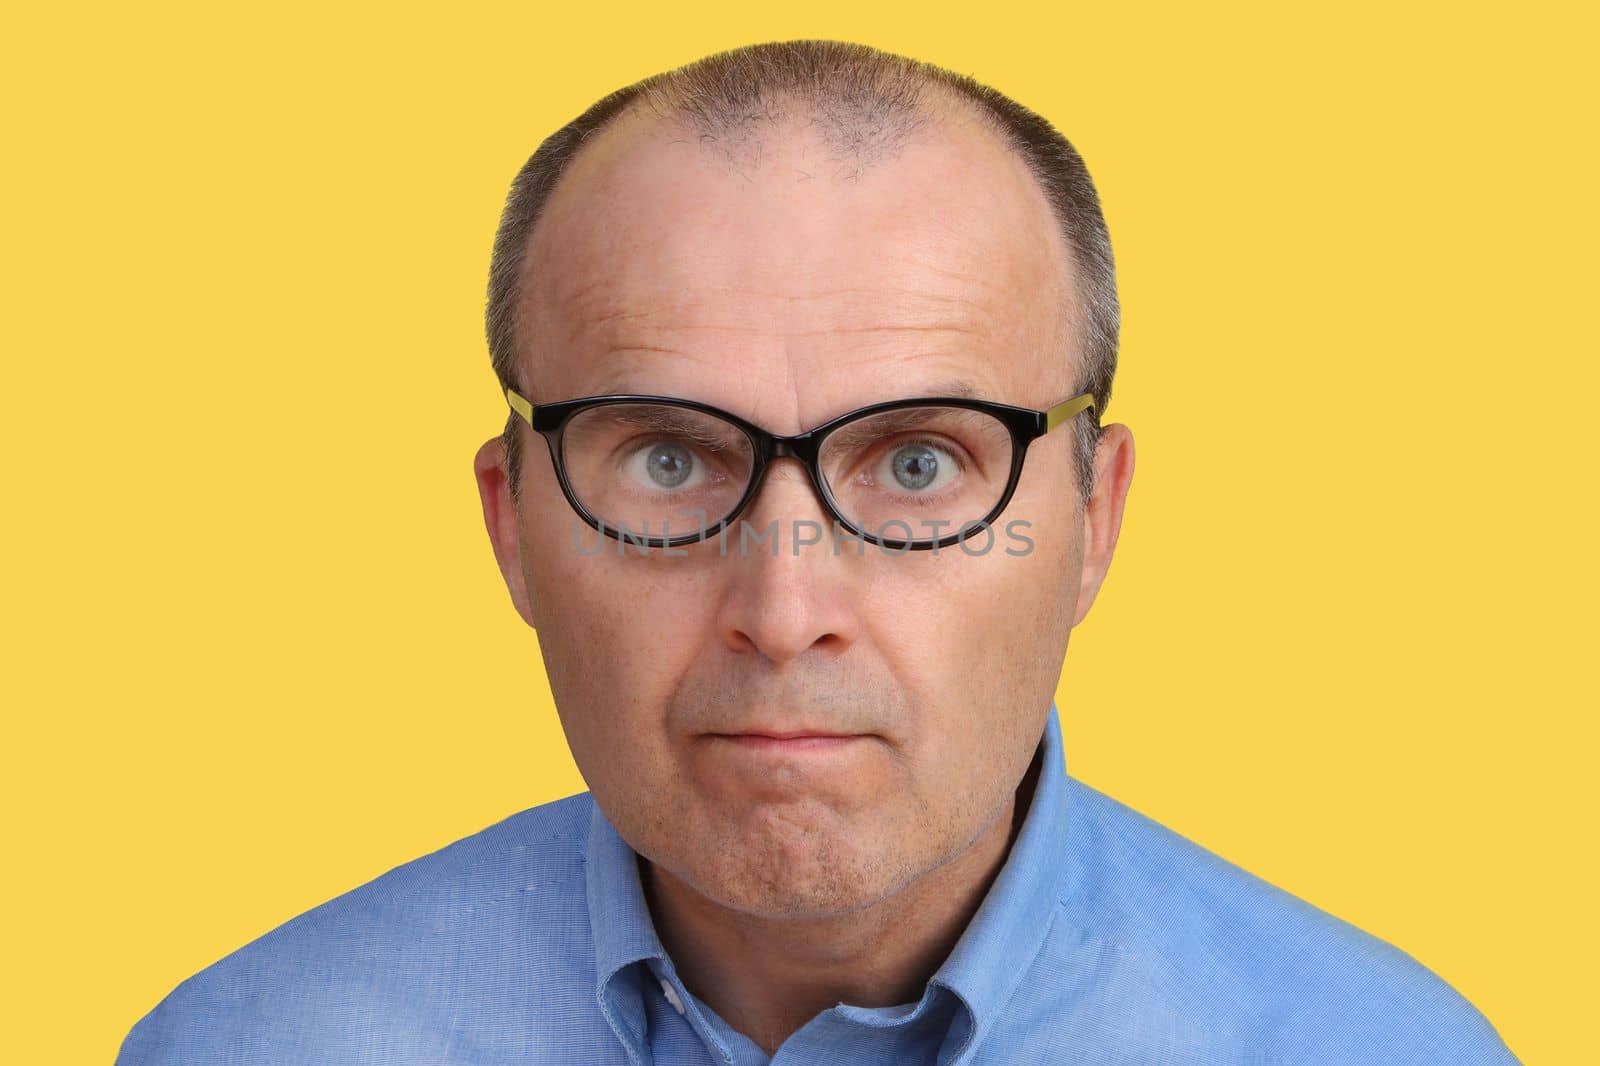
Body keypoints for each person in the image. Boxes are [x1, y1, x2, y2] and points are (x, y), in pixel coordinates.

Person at [117, 39, 1520, 1065]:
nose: (784, 611)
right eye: (667, 460)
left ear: (1093, 519)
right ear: (512, 527)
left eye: (920, 463)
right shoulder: (244, 1045)